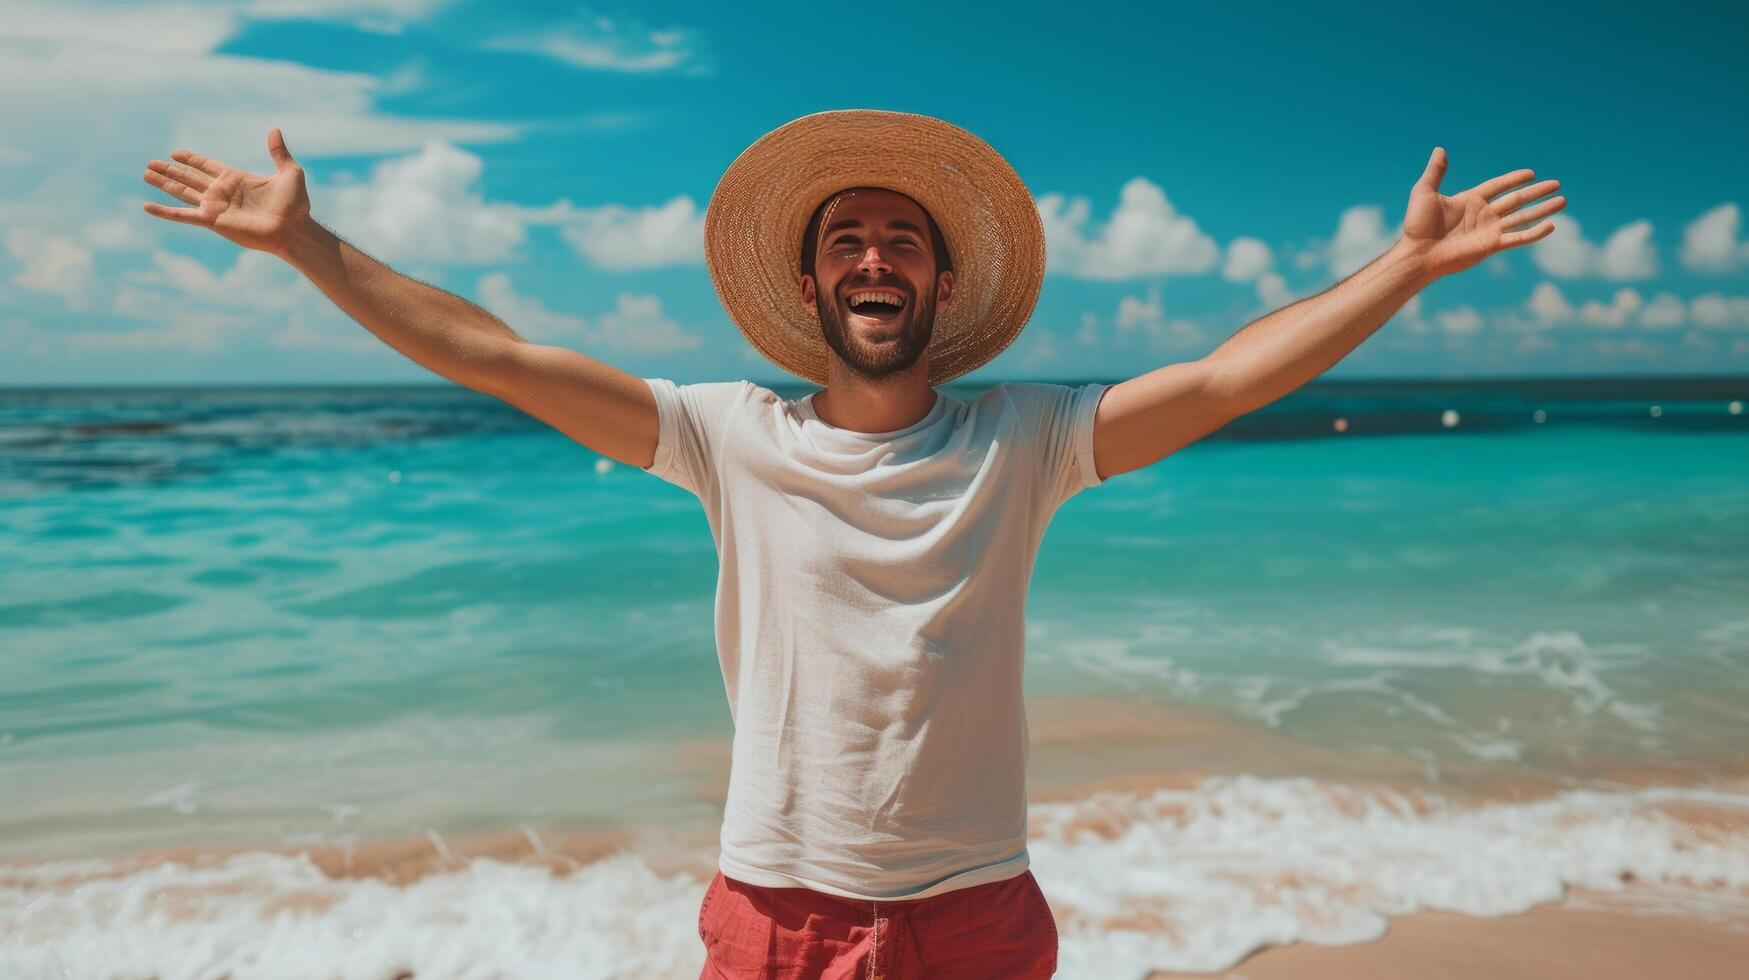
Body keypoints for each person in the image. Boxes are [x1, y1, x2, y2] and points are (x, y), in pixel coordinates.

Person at [141, 108, 1564, 979]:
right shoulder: (722, 431)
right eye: (846, 241)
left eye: (900, 240)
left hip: (978, 917)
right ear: (810, 282)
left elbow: (1220, 380)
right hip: (774, 916)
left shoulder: (1024, 438)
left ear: (942, 283)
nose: (873, 259)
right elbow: (499, 355)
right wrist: (312, 251)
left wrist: (1403, 268)